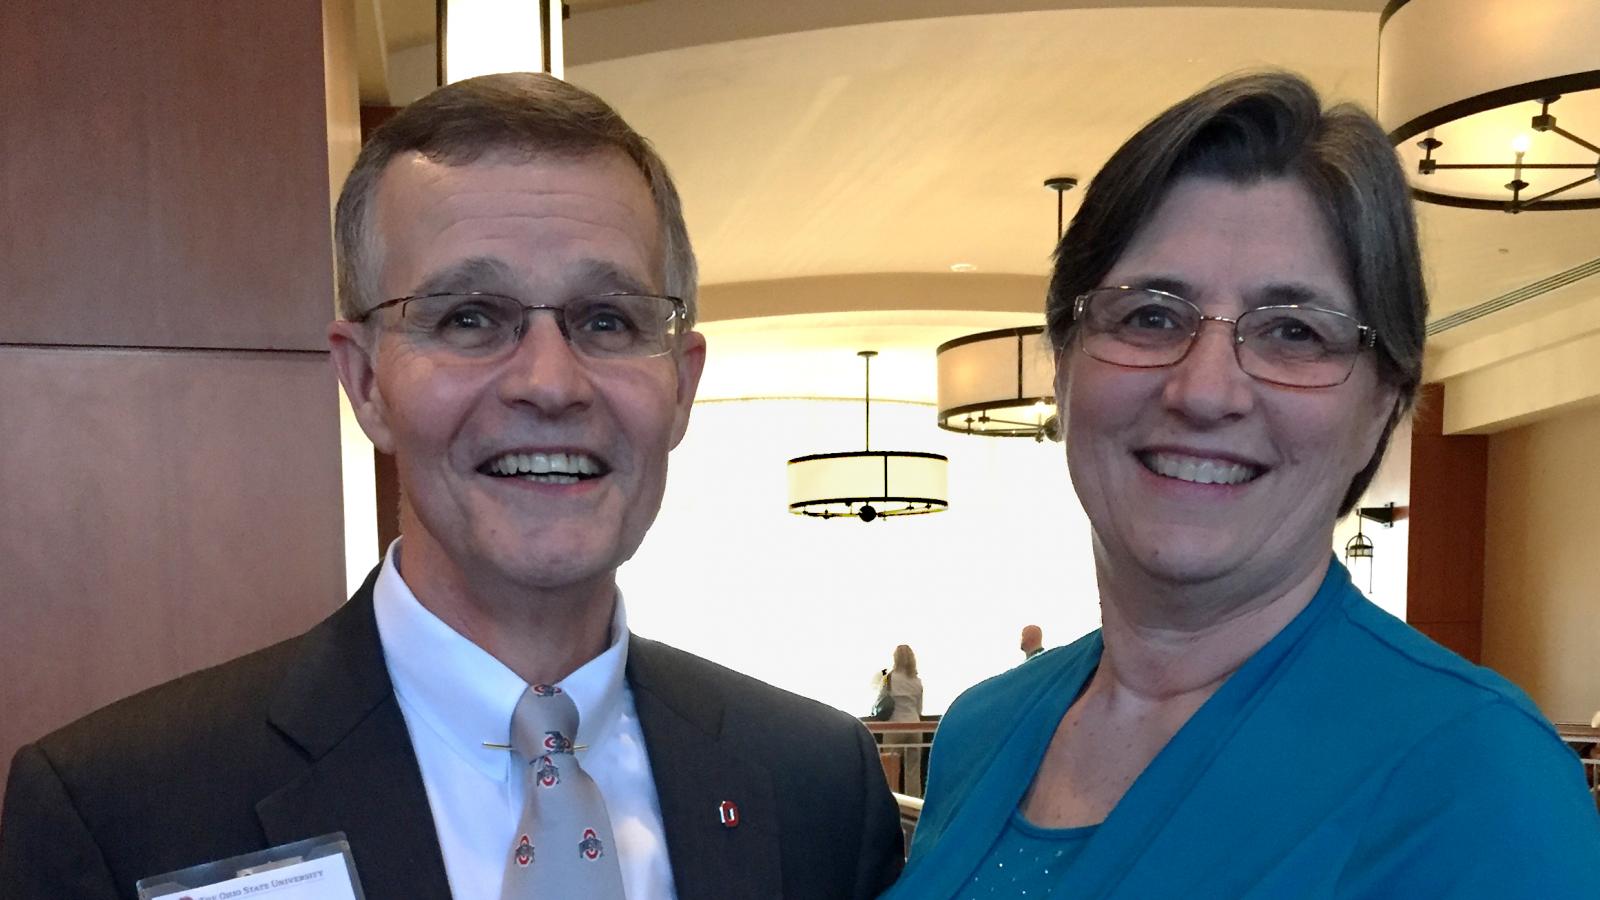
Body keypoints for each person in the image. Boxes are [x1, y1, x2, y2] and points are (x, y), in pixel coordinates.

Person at [0, 73, 902, 900]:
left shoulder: (815, 783)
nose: (550, 383)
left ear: (682, 385)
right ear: (365, 382)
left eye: (609, 319)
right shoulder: (120, 807)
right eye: (470, 318)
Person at [885, 72, 1600, 898]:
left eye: (1294, 331)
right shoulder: (985, 726)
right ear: (1063, 367)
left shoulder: (1476, 777)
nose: (1205, 391)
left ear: (1386, 403)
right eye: (1150, 315)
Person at [878, 645, 926, 796]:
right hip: (915, 727)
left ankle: (891, 801)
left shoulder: (889, 677)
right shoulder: (917, 681)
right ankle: (914, 805)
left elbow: (880, 699)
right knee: (913, 770)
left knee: (890, 769)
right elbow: (919, 708)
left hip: (894, 726)